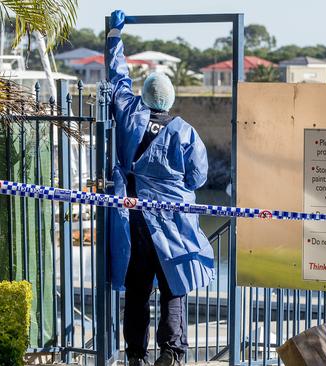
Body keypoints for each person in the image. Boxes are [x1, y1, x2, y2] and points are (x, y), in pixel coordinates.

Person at [107, 10, 215, 366]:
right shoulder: (184, 131)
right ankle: (171, 352)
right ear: (170, 100)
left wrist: (114, 36)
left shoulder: (126, 114)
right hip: (174, 222)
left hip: (134, 218)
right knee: (174, 288)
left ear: (145, 96)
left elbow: (118, 78)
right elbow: (198, 177)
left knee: (137, 291)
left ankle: (135, 355)